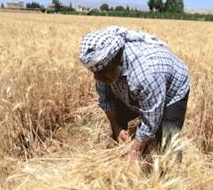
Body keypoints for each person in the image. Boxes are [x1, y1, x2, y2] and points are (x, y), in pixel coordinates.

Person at [79, 26, 190, 163]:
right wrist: (117, 127)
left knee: (168, 138)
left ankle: (170, 175)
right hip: (143, 85)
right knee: (118, 118)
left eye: (102, 74)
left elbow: (151, 117)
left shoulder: (146, 72)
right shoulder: (103, 68)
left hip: (172, 91)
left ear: (118, 59)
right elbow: (106, 99)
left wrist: (135, 150)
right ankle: (121, 153)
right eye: (95, 73)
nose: (97, 78)